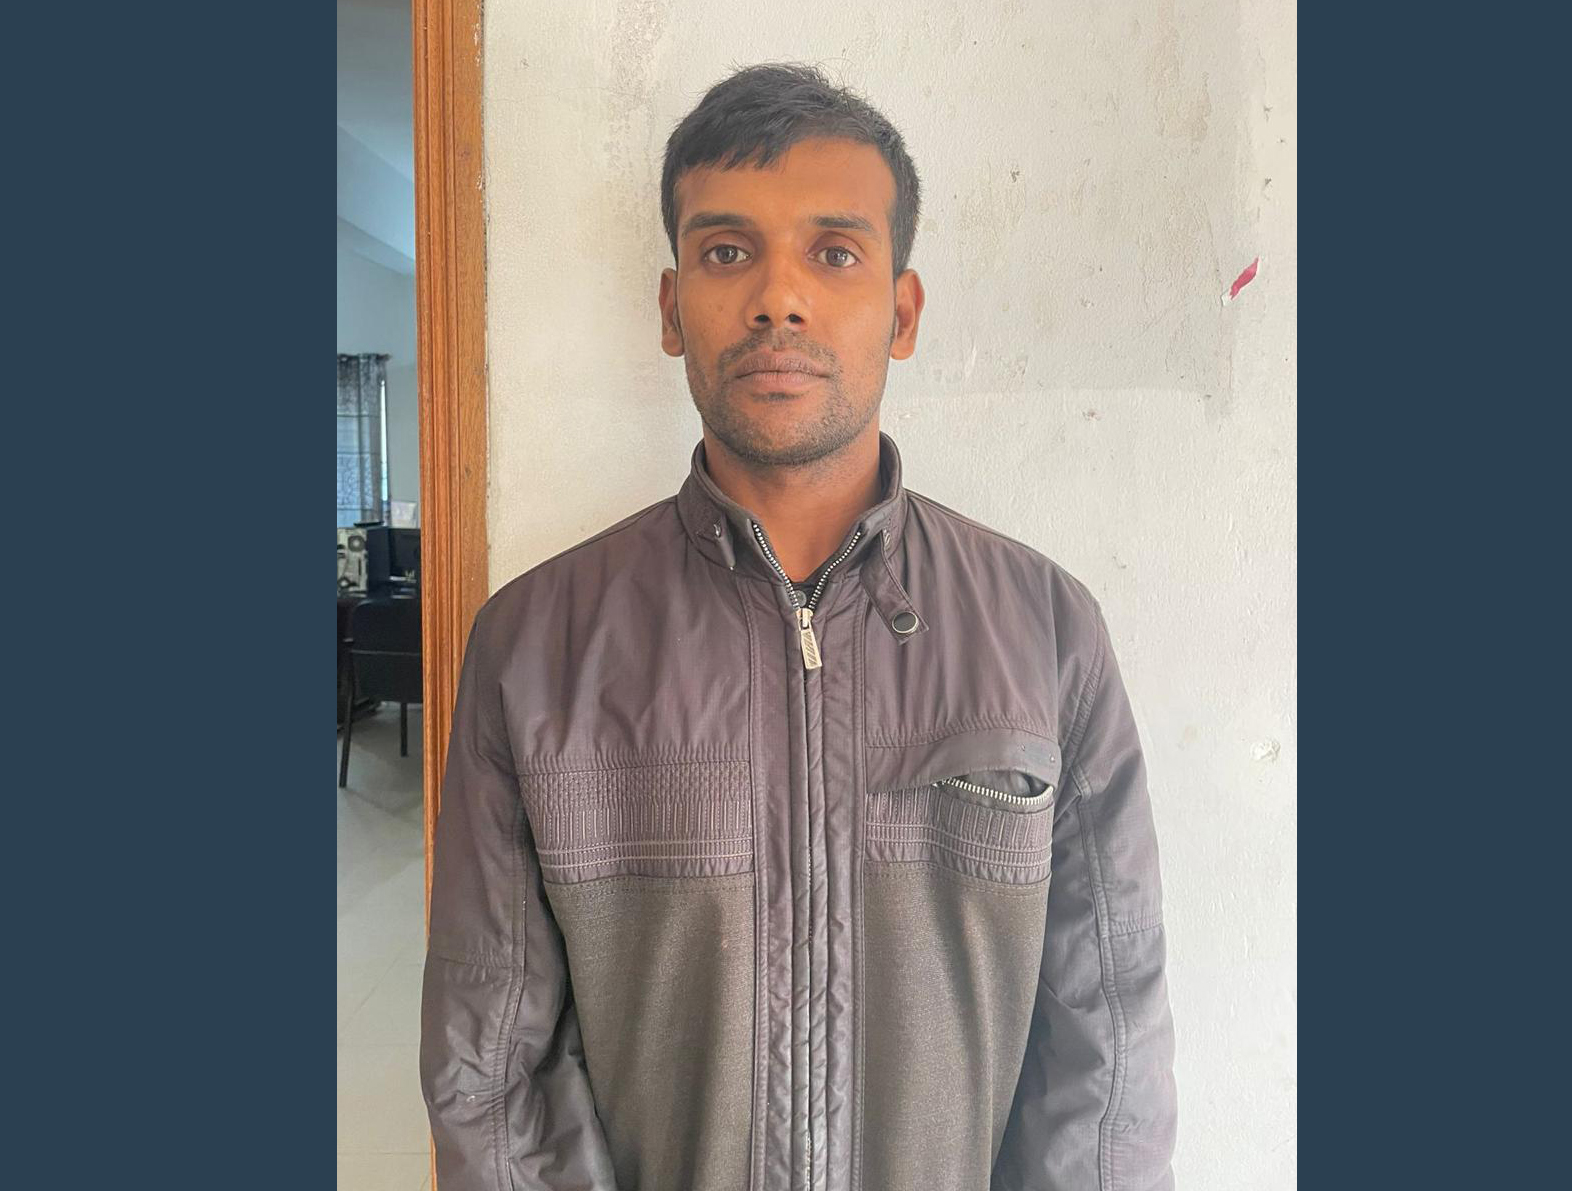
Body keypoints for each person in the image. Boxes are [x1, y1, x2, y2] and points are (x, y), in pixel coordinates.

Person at [420, 62, 1175, 1191]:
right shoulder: (536, 647)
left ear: (902, 313)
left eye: (834, 253)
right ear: (671, 308)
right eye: (729, 252)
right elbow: (489, 1069)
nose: (780, 297)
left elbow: (1108, 1051)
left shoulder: (1046, 632)